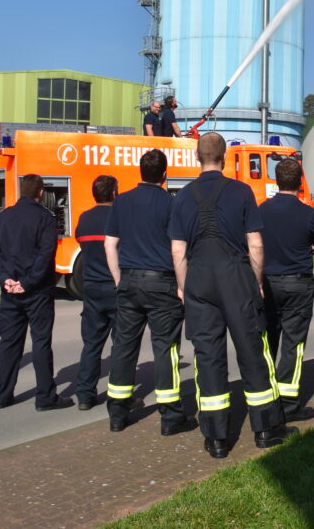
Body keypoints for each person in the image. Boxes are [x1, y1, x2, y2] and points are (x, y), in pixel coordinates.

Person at [169, 132, 295, 458]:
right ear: (224, 157)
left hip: (198, 279)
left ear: (197, 157)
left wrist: (184, 286)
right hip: (236, 277)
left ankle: (216, 439)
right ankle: (266, 430)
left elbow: (178, 249)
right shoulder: (241, 191)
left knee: (207, 357)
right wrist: (256, 282)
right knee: (253, 351)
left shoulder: (182, 197)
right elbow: (255, 243)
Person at [105, 150, 196, 435]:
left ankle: (117, 415)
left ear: (140, 172)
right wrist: (183, 286)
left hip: (130, 282)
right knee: (165, 349)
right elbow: (178, 248)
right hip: (163, 284)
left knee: (123, 348)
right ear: (165, 174)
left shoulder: (122, 201)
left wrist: (120, 279)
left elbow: (110, 244)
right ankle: (170, 418)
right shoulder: (173, 204)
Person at [0, 174, 71, 411]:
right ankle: (45, 397)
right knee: (41, 343)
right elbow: (46, 255)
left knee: (8, 343)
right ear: (41, 193)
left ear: (20, 191)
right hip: (38, 292)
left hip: (10, 291)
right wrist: (28, 281)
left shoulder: (4, 217)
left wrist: (5, 280)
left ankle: (2, 395)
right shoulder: (45, 218)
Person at [259, 158, 314, 421]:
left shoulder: (261, 210)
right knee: (293, 342)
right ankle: (288, 404)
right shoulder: (308, 213)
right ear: (300, 182)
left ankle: (265, 397)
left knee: (268, 341)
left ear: (276, 181)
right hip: (297, 282)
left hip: (267, 281)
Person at [74, 175, 118, 410]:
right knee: (120, 345)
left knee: (92, 344)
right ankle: (120, 395)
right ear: (113, 193)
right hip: (115, 286)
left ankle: (85, 395)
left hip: (91, 288)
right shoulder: (119, 217)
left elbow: (80, 241)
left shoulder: (85, 218)